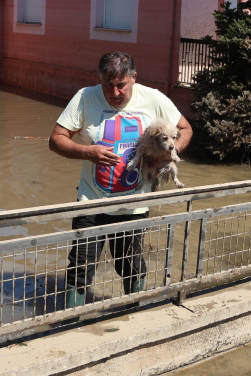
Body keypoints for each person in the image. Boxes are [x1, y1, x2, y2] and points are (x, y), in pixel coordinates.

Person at [48, 51, 192, 309]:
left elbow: (185, 128)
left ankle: (133, 314)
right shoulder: (84, 97)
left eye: (121, 85)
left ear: (134, 78)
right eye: (108, 85)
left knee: (131, 265)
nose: (114, 92)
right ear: (100, 79)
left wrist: (169, 156)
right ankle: (68, 322)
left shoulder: (154, 98)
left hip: (134, 205)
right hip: (91, 201)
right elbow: (56, 139)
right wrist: (87, 152)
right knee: (80, 265)